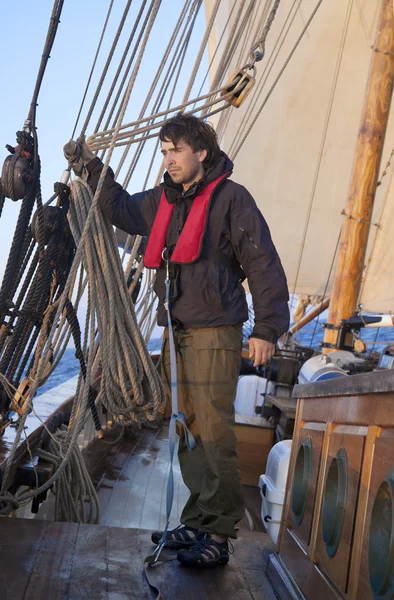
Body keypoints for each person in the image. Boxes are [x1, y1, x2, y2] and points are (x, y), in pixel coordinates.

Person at [72, 114, 289, 567]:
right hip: (177, 329)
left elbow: (263, 262)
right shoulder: (161, 201)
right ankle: (198, 518)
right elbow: (119, 209)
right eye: (165, 151)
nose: (168, 159)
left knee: (212, 429)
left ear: (201, 153)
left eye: (177, 151)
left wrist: (268, 328)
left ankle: (219, 532)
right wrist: (92, 168)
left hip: (215, 329)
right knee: (188, 429)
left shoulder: (232, 200)